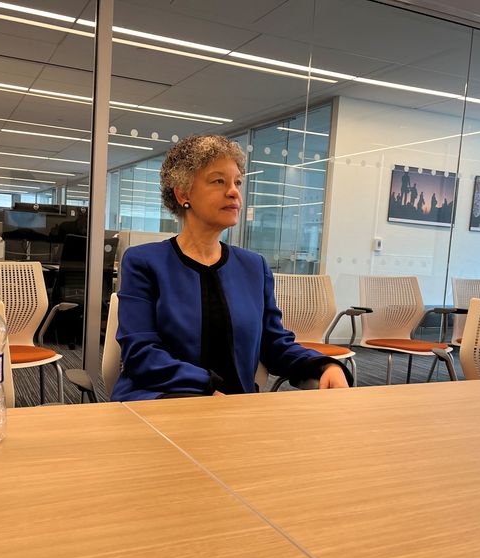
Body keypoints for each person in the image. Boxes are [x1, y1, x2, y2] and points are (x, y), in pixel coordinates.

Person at [111, 135, 350, 401]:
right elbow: (141, 354)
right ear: (183, 193)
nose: (234, 191)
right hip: (163, 402)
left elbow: (273, 344)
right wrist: (205, 386)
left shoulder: (254, 267)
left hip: (234, 408)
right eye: (218, 181)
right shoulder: (145, 262)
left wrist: (323, 365)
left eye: (237, 182)